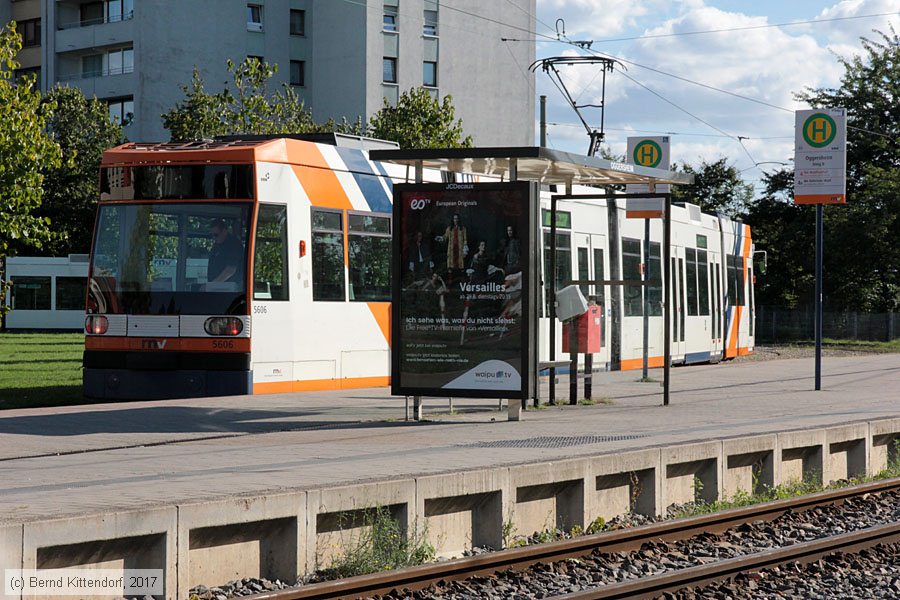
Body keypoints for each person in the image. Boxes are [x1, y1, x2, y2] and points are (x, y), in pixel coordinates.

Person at [207, 219, 244, 285]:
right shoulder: (216, 246)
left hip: (230, 288)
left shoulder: (234, 244)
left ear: (224, 231)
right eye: (211, 235)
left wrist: (212, 285)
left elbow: (230, 270)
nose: (213, 238)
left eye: (216, 235)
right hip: (218, 286)